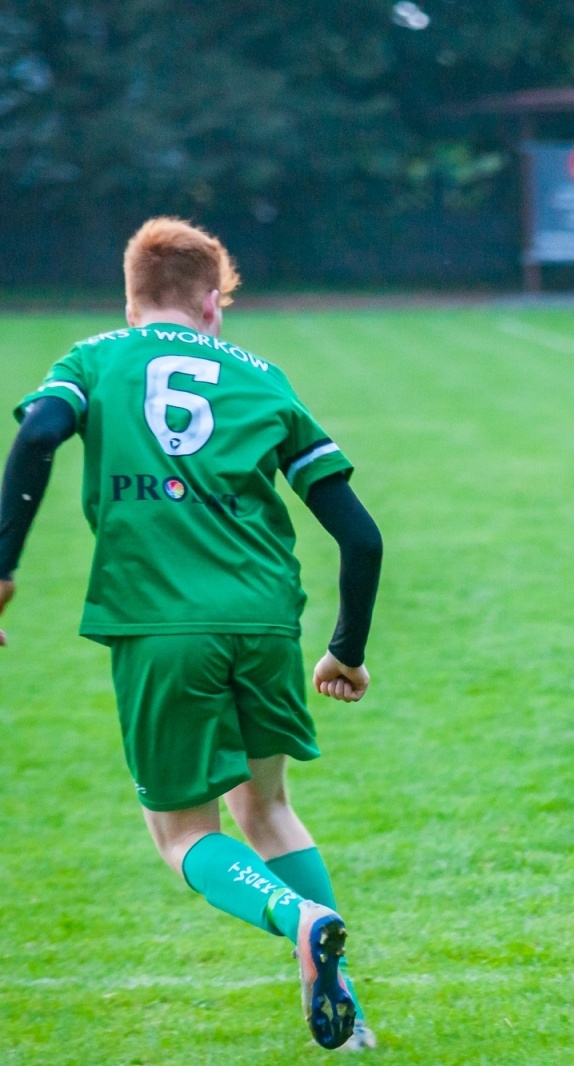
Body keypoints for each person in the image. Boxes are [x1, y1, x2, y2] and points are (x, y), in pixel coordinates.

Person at [0, 218, 383, 1051]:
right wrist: (346, 650)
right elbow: (362, 537)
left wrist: (2, 568)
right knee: (267, 805)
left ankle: (298, 917)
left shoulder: (94, 359)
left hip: (161, 626)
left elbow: (35, 435)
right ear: (214, 303)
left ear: (132, 295)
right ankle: (342, 1003)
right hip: (266, 620)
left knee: (182, 833)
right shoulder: (262, 378)